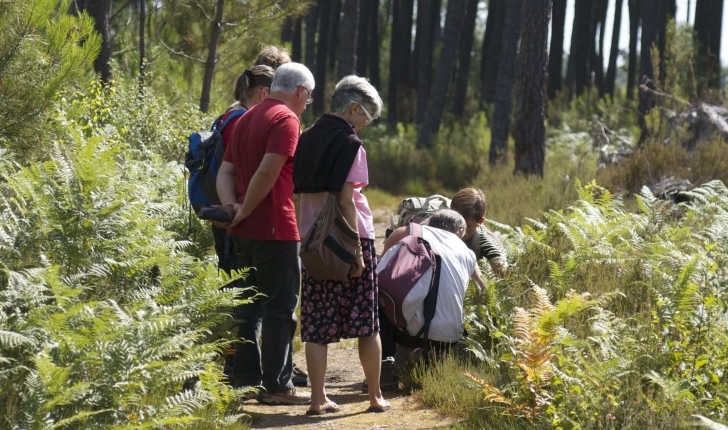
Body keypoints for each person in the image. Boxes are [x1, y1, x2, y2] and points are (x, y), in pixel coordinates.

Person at [215, 62, 315, 405]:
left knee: (248, 307)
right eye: (309, 97)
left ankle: (246, 379)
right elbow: (269, 170)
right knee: (280, 308)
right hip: (275, 227)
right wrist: (244, 208)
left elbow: (226, 171)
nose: (306, 104)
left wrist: (232, 208)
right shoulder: (286, 119)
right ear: (300, 91)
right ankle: (276, 385)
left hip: (243, 230)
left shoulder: (244, 118)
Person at [293, 75, 390, 415]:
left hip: (312, 242)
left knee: (316, 323)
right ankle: (375, 396)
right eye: (367, 117)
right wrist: (357, 253)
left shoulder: (304, 139)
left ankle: (317, 400)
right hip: (351, 237)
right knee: (367, 321)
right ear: (353, 108)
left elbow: (297, 193)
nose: (365, 125)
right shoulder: (351, 144)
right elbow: (347, 200)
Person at [378, 209, 478, 368]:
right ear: (459, 231)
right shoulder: (468, 253)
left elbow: (381, 276)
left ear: (431, 222)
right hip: (451, 337)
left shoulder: (413, 234)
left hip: (411, 335)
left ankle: (385, 369)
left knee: (378, 297)